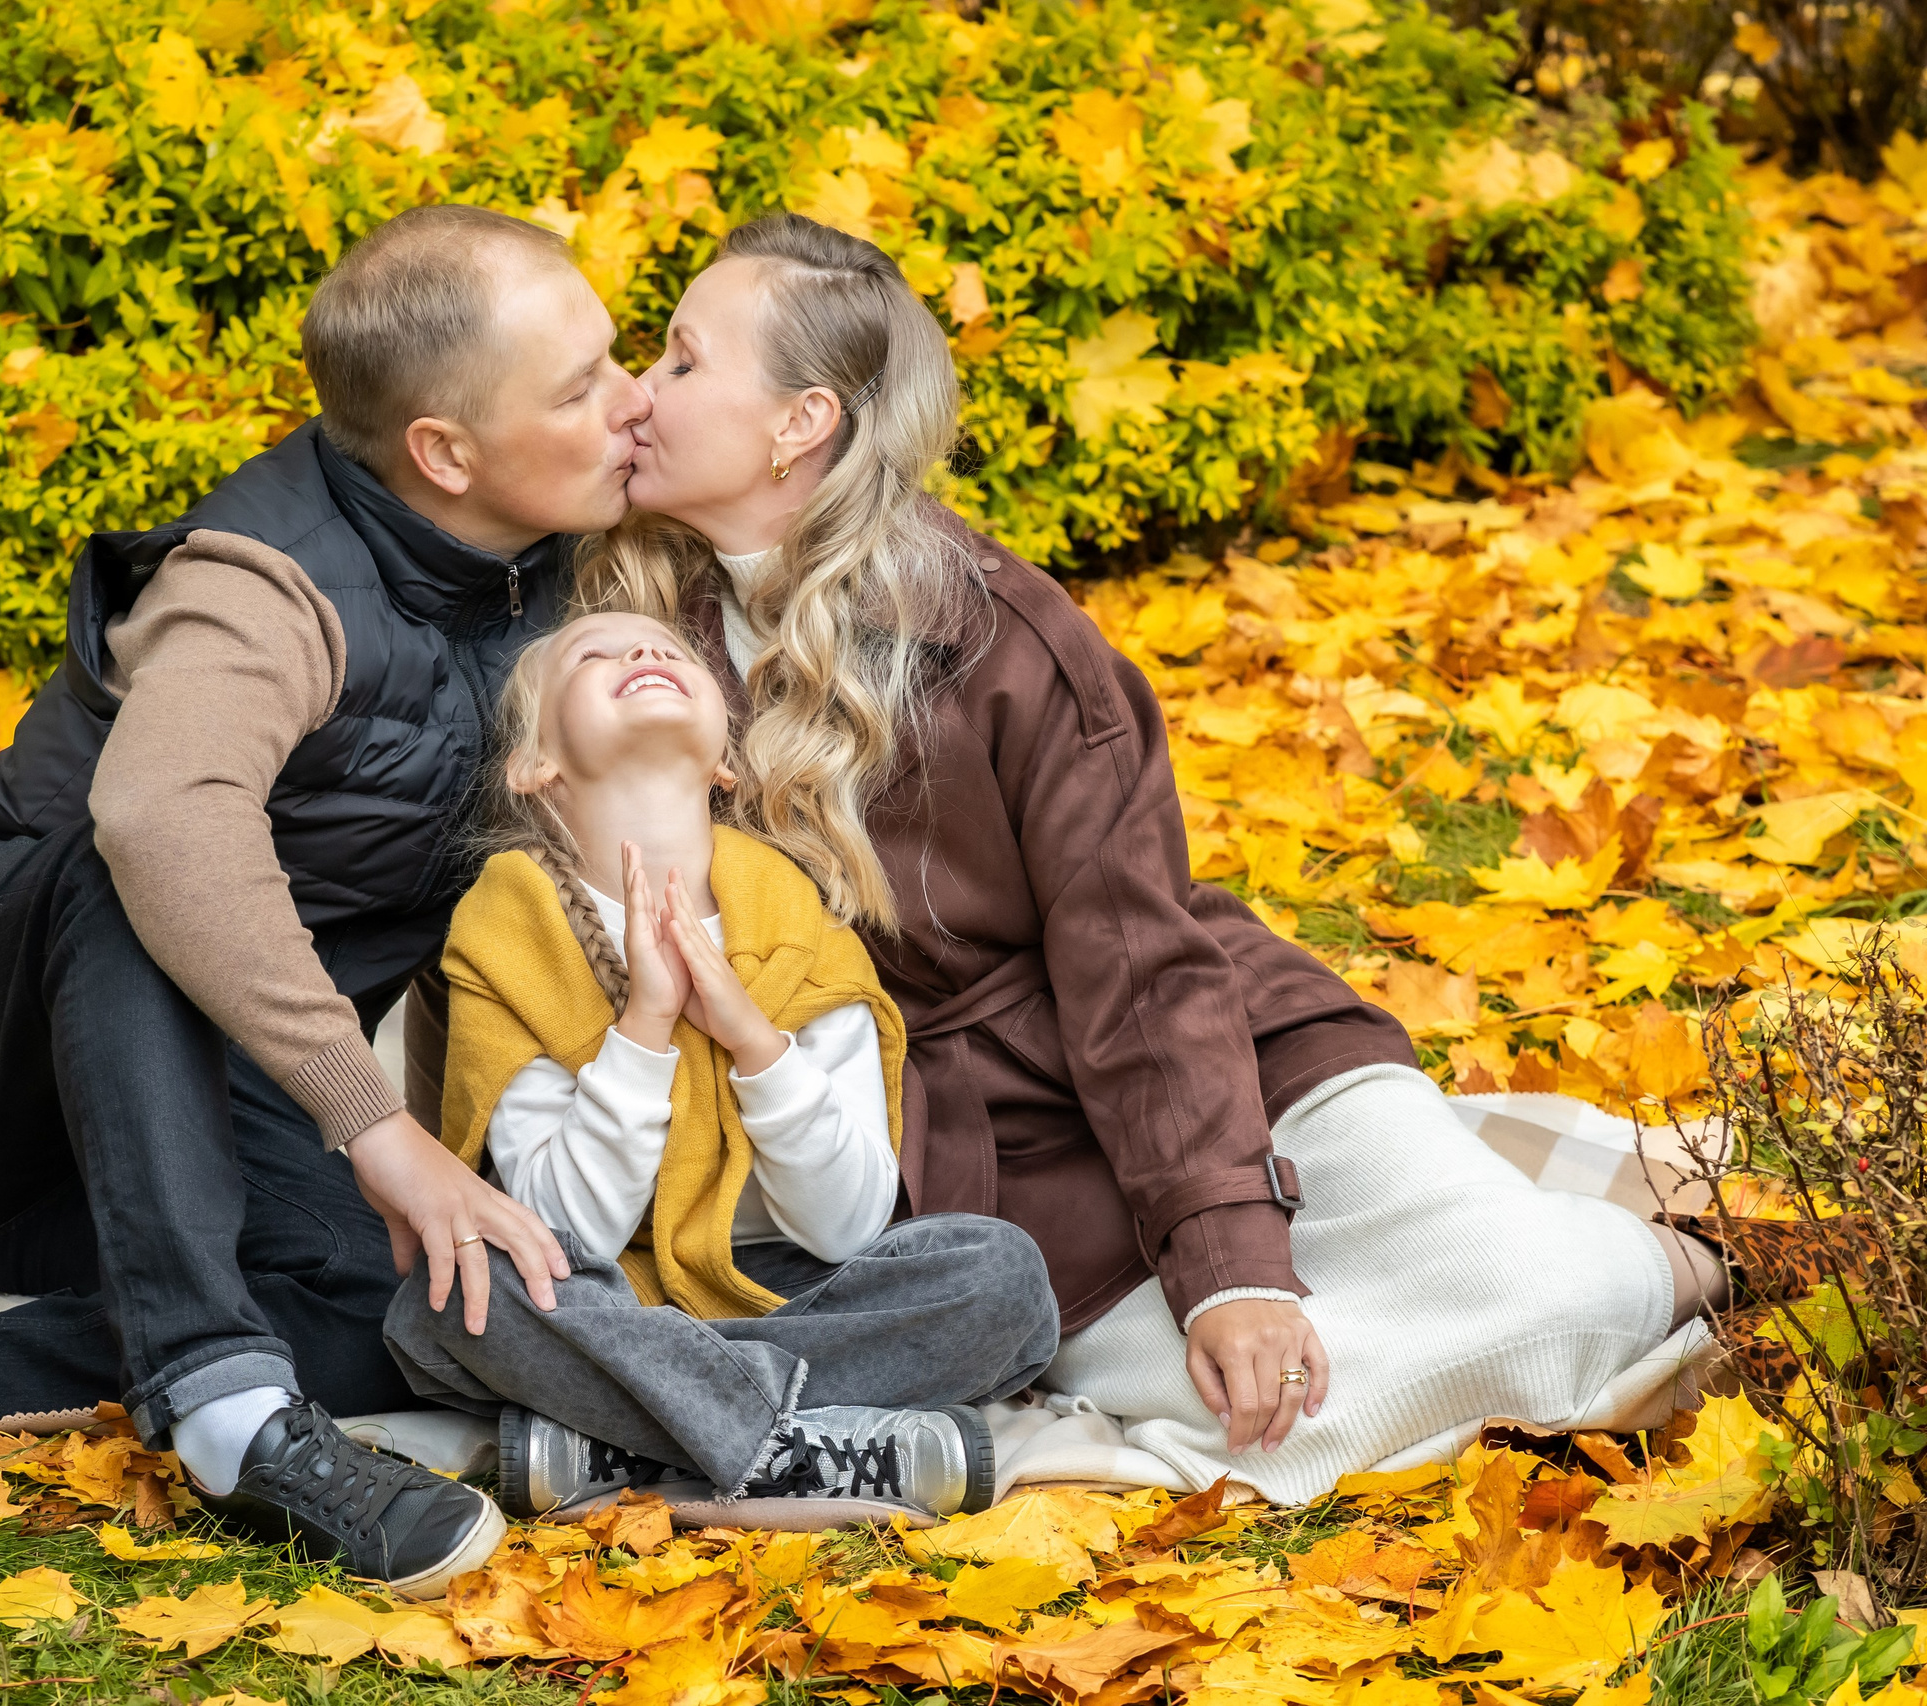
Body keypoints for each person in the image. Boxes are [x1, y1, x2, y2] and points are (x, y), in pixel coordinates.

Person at [577, 213, 1733, 1505]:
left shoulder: (1011, 645)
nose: (636, 393)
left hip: (1212, 1052)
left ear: (801, 423)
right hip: (988, 1149)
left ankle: (1666, 1253)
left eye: (680, 360)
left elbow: (1134, 955)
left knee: (1526, 1301)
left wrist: (1229, 1259)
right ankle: (1510, 1211)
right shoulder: (624, 629)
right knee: (1299, 1416)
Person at [0, 205, 654, 1597]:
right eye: (582, 384)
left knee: (442, 1305)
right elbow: (155, 821)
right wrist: (377, 1124)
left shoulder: (547, 555)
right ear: (446, 452)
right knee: (145, 838)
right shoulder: (265, 587)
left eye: (623, 359)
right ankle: (231, 1419)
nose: (630, 400)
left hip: (190, 1107)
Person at [382, 610, 1059, 1518]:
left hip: (796, 1292)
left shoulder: (801, 930)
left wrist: (755, 1044)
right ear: (534, 764)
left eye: (668, 649)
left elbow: (846, 1228)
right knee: (455, 1301)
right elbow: (557, 1225)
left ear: (725, 764)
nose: (647, 653)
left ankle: (633, 1444)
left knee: (1000, 1277)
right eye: (597, 653)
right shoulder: (507, 938)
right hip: (608, 1301)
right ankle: (816, 1449)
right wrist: (645, 1025)